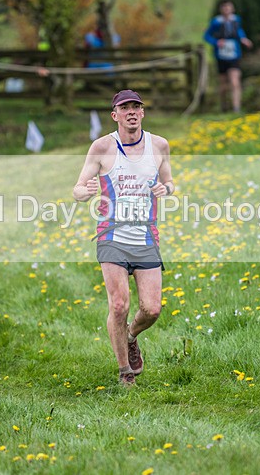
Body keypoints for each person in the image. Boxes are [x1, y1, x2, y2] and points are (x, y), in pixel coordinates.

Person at [73, 89, 174, 387]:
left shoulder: (159, 145)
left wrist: (166, 190)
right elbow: (77, 189)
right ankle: (124, 372)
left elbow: (170, 182)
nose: (131, 112)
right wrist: (85, 192)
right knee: (118, 305)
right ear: (114, 115)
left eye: (136, 107)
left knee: (152, 309)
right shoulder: (102, 147)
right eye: (124, 107)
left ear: (142, 113)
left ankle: (131, 336)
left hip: (145, 236)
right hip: (111, 236)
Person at [204, 0, 253, 113]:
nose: (227, 10)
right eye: (224, 7)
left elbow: (239, 31)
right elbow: (206, 36)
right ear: (221, 9)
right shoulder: (216, 22)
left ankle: (236, 108)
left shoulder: (236, 20)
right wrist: (216, 42)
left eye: (229, 7)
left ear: (232, 9)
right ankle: (223, 107)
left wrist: (243, 39)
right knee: (223, 84)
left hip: (234, 54)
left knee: (235, 81)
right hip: (221, 55)